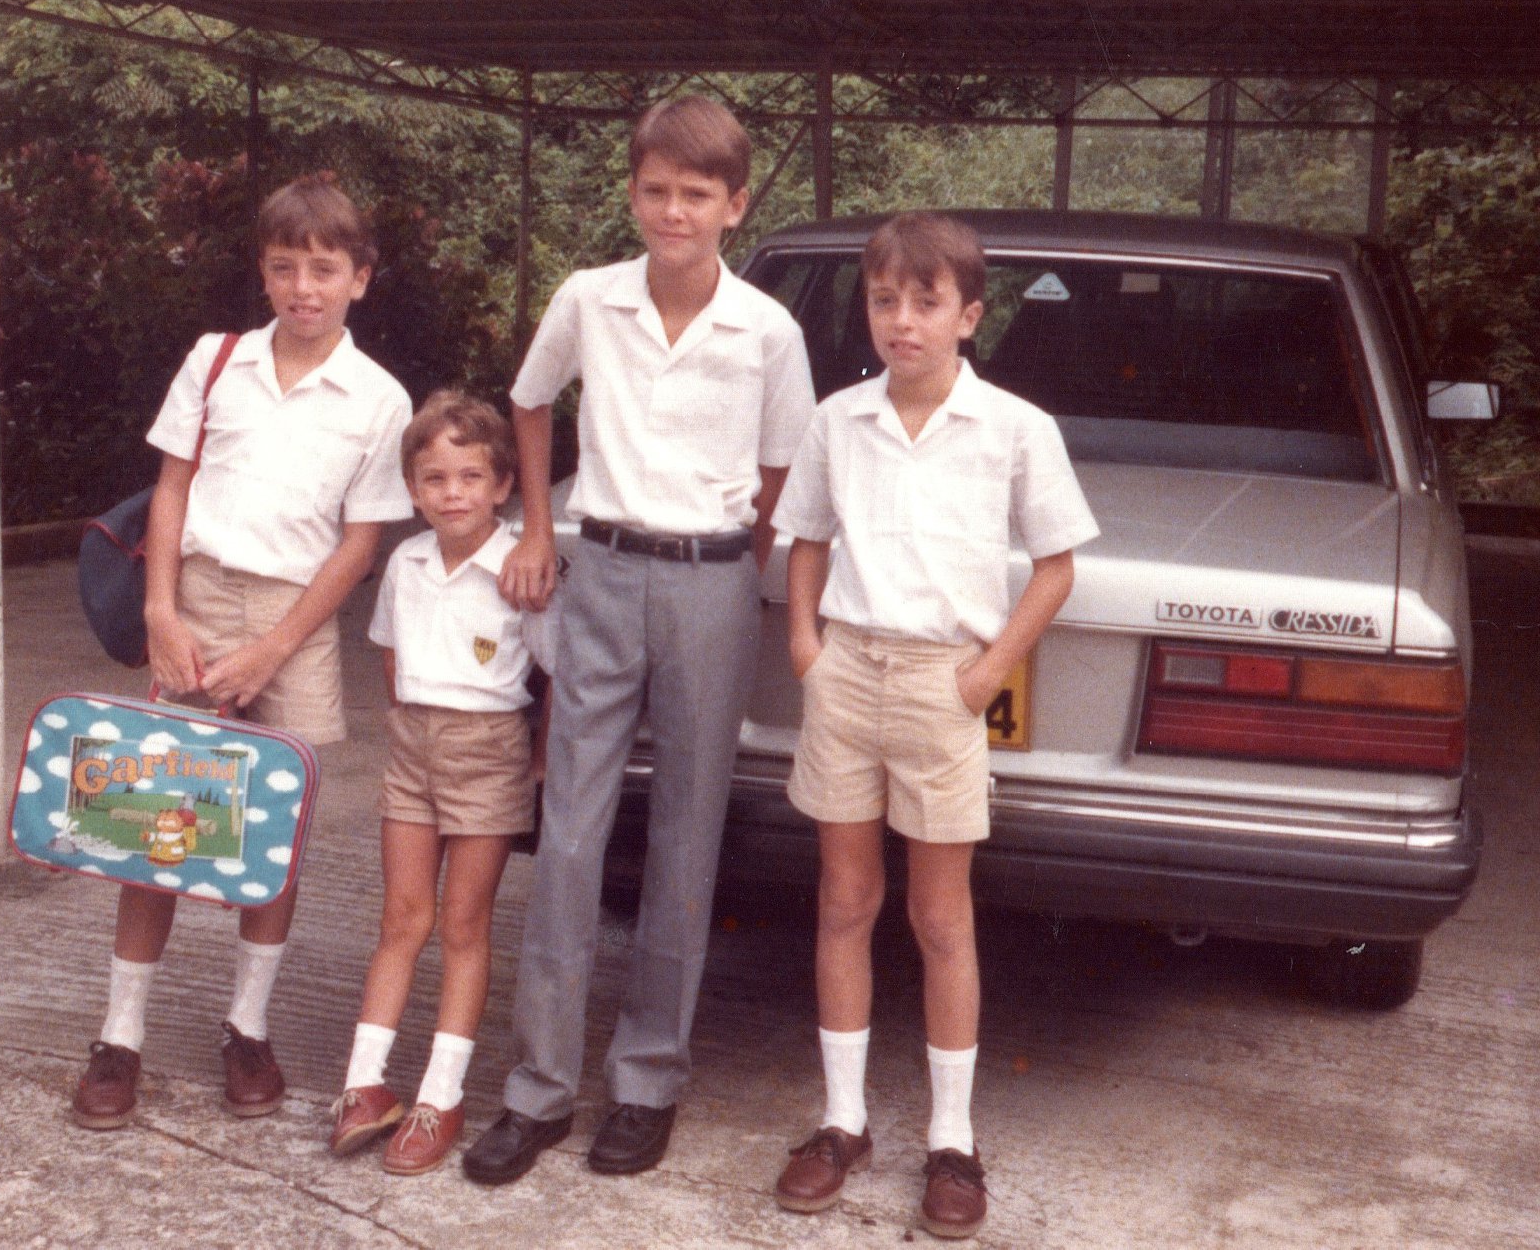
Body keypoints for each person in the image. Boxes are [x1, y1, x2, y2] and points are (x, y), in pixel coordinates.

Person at [461, 95, 816, 1186]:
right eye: (657, 190)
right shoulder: (588, 298)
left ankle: (649, 1078)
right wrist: (533, 523)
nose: (675, 210)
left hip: (711, 582)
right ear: (633, 194)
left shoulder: (767, 327)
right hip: (600, 569)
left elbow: (780, 473)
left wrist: (735, 571)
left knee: (686, 837)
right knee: (569, 831)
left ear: (735, 204)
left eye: (697, 194)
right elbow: (528, 402)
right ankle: (537, 1090)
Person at [767, 212, 1098, 1238]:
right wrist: (807, 650)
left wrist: (984, 673)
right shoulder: (838, 420)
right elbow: (807, 537)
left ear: (970, 315)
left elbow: (1057, 565)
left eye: (925, 302)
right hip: (848, 672)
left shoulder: (1012, 428)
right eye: (883, 300)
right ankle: (842, 1120)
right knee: (844, 902)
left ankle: (952, 1140)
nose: (901, 321)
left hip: (942, 683)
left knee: (941, 917)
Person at [69, 175, 413, 1130]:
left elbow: (360, 542)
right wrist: (161, 611)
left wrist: (277, 649)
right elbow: (171, 486)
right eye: (285, 266)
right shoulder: (217, 360)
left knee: (272, 834)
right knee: (155, 817)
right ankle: (120, 1036)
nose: (305, 286)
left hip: (296, 623)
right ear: (262, 273)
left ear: (361, 280)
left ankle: (247, 1027)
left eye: (325, 268)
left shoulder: (380, 398)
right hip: (199, 598)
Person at [329, 391, 555, 1176]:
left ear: (501, 486)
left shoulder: (522, 565)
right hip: (413, 745)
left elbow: (555, 674)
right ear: (414, 489)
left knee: (464, 921)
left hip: (490, 747)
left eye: (470, 476)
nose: (452, 492)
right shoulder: (405, 562)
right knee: (402, 915)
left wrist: (538, 757)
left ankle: (442, 1092)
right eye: (434, 479)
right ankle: (364, 1084)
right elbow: (391, 658)